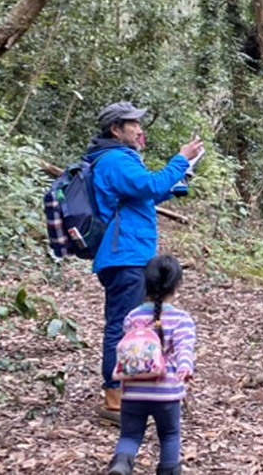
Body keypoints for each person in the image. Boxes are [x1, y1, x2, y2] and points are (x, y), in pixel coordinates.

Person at [89, 102, 203, 423]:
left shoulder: (121, 160)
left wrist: (183, 173)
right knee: (121, 324)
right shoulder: (114, 160)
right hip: (124, 254)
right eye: (134, 124)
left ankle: (132, 389)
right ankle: (115, 397)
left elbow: (149, 194)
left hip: (132, 253)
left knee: (133, 323)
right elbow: (150, 185)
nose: (140, 129)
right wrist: (180, 159)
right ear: (116, 129)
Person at [106, 254, 196, 475]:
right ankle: (169, 470)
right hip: (166, 392)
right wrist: (185, 368)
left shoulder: (132, 317)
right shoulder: (182, 319)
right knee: (169, 435)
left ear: (146, 282)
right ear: (177, 285)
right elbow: (185, 348)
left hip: (133, 392)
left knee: (130, 435)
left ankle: (121, 465)